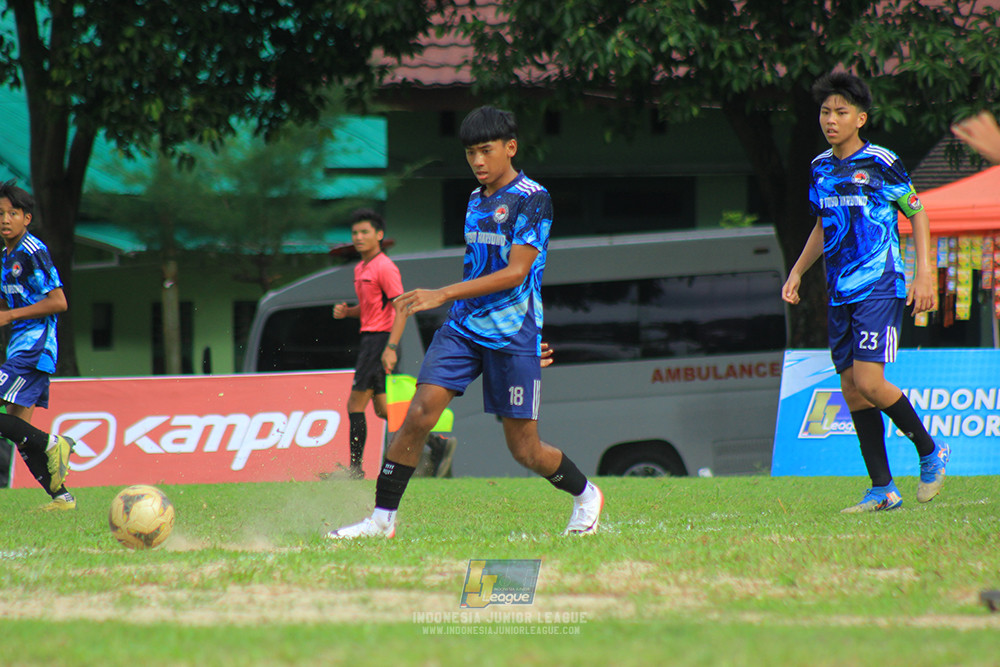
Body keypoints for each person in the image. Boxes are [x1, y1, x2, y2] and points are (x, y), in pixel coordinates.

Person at [327, 106, 603, 538]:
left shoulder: (534, 198)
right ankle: (382, 520)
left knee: (525, 450)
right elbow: (479, 268)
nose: (477, 161)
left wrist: (443, 294)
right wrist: (453, 303)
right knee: (418, 415)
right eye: (470, 152)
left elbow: (516, 273)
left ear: (510, 148)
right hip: (462, 328)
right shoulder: (476, 200)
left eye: (486, 150)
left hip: (513, 334)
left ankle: (586, 495)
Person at [782, 73, 950, 513]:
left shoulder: (881, 160)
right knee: (851, 390)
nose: (831, 120)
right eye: (825, 111)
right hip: (838, 292)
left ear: (861, 118)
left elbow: (918, 213)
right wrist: (798, 271)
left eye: (840, 112)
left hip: (879, 283)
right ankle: (883, 489)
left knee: (869, 381)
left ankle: (931, 451)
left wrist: (924, 275)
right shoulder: (820, 167)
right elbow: (823, 225)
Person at [332, 208, 456, 479]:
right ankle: (436, 443)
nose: (359, 237)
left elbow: (401, 308)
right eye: (355, 233)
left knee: (354, 405)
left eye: (365, 232)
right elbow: (370, 308)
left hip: (379, 342)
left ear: (379, 235)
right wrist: (349, 312)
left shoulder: (385, 267)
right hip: (370, 339)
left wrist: (390, 347)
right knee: (382, 409)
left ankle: (355, 470)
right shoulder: (361, 267)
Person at [0, 180, 75, 510]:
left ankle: (54, 443)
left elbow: (59, 302)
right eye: (0, 213)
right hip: (20, 345)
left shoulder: (33, 250)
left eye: (12, 213)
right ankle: (61, 497)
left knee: (24, 432)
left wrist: (11, 314)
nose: (5, 219)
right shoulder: (6, 257)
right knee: (19, 430)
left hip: (36, 345)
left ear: (26, 218)